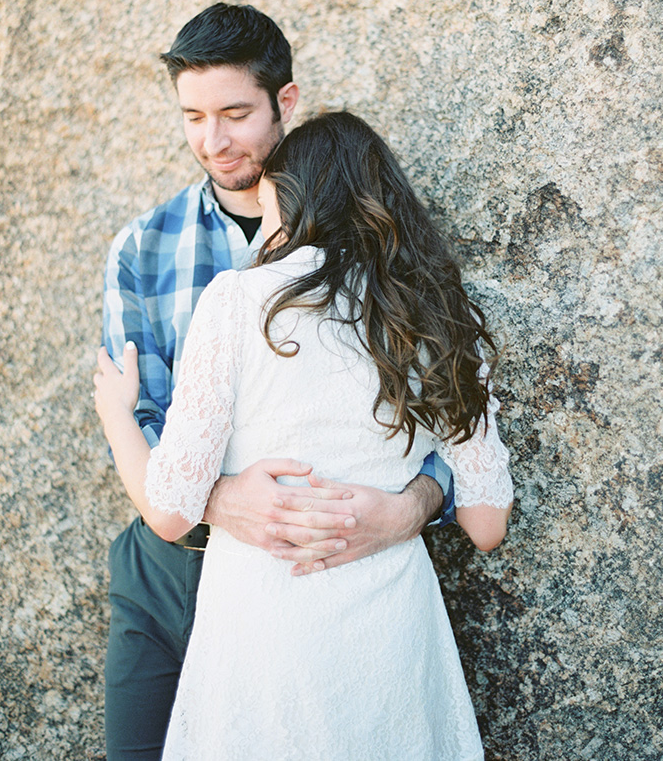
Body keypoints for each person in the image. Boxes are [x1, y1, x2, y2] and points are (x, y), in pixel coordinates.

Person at [95, 111, 514, 760]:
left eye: (264, 210)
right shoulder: (436, 315)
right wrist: (417, 500)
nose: (261, 232)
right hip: (392, 637)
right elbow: (486, 524)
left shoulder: (236, 301)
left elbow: (169, 512)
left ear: (290, 202)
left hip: (264, 640)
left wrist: (118, 414)